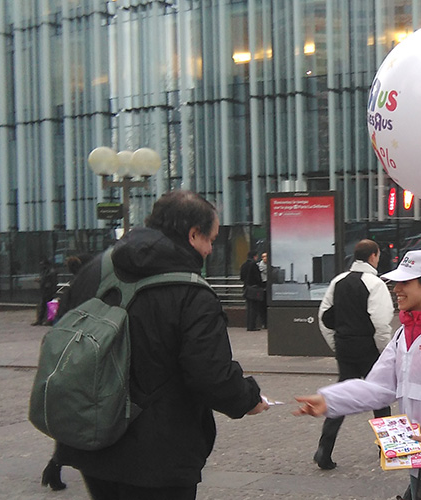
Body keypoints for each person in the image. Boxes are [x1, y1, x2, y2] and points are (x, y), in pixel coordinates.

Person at [53, 190, 268, 500]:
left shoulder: (94, 271)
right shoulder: (192, 293)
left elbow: (64, 338)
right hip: (160, 454)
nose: (210, 249)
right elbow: (209, 374)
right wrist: (248, 398)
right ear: (194, 234)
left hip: (93, 440)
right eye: (211, 239)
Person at [294, 249, 421, 500]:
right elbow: (378, 387)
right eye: (396, 282)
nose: (396, 288)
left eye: (405, 282)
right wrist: (330, 401)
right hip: (420, 455)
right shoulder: (404, 335)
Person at [313, 239, 395, 470]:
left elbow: (325, 318)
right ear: (373, 256)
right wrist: (384, 352)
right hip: (368, 349)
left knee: (340, 397)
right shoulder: (375, 284)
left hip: (345, 347)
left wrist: (336, 345)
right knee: (380, 398)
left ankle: (324, 450)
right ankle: (389, 447)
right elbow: (381, 324)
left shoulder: (337, 281)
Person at [39, 253, 94, 492]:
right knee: (83, 412)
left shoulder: (72, 288)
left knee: (73, 412)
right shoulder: (89, 287)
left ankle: (56, 464)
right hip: (83, 352)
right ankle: (57, 463)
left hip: (68, 353)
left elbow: (60, 320)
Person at [239, 251, 266, 331]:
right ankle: (252, 326)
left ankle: (249, 325)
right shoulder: (254, 265)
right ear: (254, 256)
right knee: (254, 308)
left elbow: (241, 277)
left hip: (247, 288)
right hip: (254, 289)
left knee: (249, 308)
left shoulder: (244, 265)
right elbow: (258, 278)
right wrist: (261, 285)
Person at [32, 259, 58, 326]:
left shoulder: (51, 271)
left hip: (49, 291)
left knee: (50, 306)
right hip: (45, 291)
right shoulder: (45, 271)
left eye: (43, 264)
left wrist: (44, 282)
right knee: (42, 305)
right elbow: (44, 279)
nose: (42, 266)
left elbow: (51, 281)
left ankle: (49, 321)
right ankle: (40, 320)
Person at [257, 252, 274, 328]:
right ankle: (264, 322)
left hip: (269, 287)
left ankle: (268, 322)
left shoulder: (271, 267)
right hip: (262, 287)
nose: (265, 258)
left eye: (266, 256)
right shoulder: (258, 266)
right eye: (263, 256)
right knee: (262, 306)